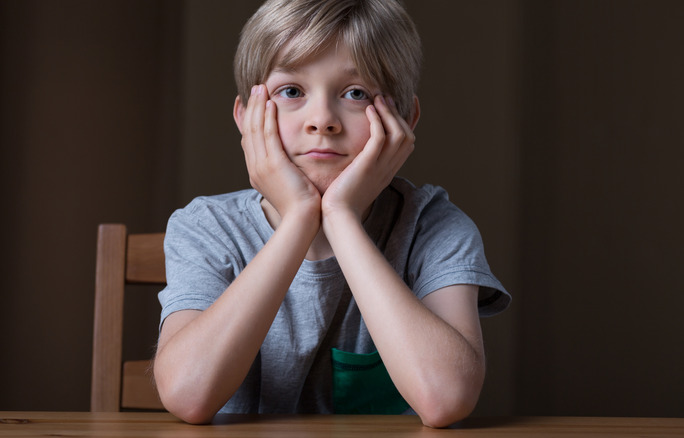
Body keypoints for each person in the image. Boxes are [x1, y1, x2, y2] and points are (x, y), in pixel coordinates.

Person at [153, 0, 510, 428]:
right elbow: (189, 395)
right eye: (292, 91)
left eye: (356, 94)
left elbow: (445, 399)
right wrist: (300, 217)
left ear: (405, 119)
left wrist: (340, 217)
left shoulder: (434, 227)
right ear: (246, 117)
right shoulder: (205, 227)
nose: (322, 120)